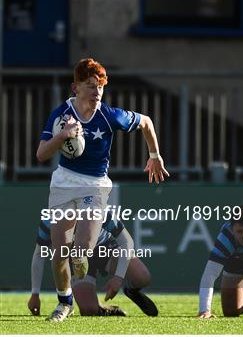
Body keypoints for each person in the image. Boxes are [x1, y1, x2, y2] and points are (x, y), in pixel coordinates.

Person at [36, 58, 169, 322]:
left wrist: (154, 155)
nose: (97, 92)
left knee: (82, 248)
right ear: (75, 87)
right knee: (60, 250)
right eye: (90, 86)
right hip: (64, 182)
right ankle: (64, 303)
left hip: (95, 186)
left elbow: (146, 122)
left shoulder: (109, 116)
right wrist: (62, 136)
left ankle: (85, 277)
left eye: (100, 87)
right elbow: (41, 154)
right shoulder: (61, 115)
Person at [28, 217, 158, 317]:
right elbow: (39, 255)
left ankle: (131, 291)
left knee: (142, 277)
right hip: (76, 258)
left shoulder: (97, 209)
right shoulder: (50, 220)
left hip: (104, 248)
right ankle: (102, 308)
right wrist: (35, 294)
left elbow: (127, 242)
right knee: (88, 310)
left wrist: (118, 278)